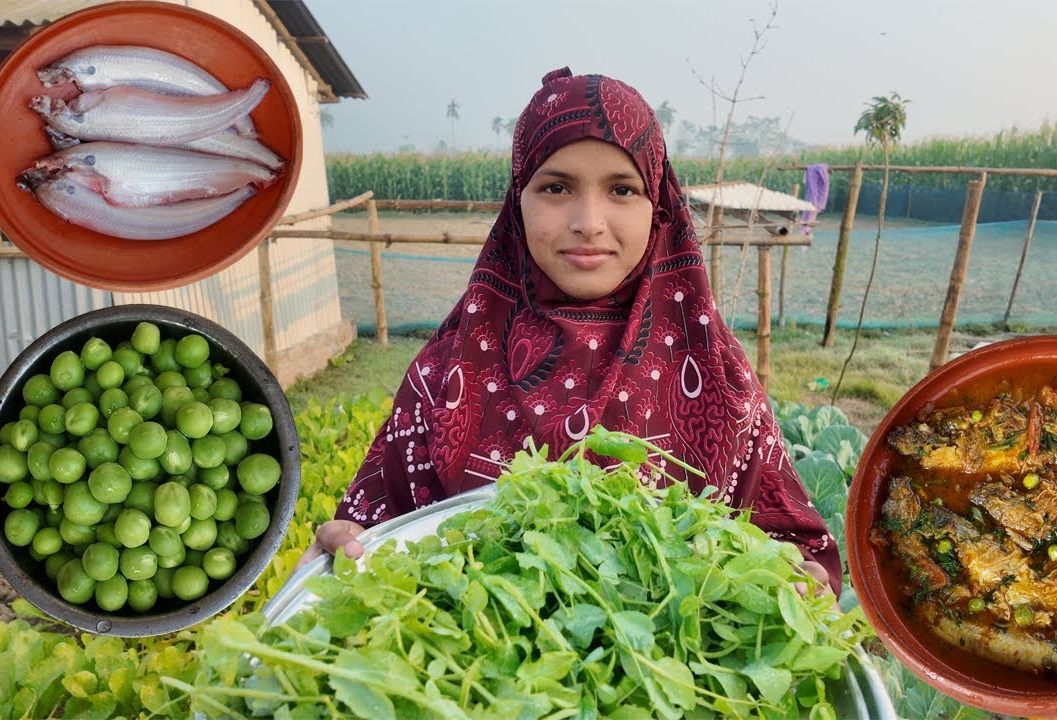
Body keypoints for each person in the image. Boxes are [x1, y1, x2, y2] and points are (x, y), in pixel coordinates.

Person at [299, 67, 842, 598]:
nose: (589, 220)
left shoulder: (719, 377)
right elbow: (372, 539)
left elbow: (791, 545)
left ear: (659, 206)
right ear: (518, 202)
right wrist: (343, 550)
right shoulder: (446, 375)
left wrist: (799, 581)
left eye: (622, 190)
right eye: (556, 187)